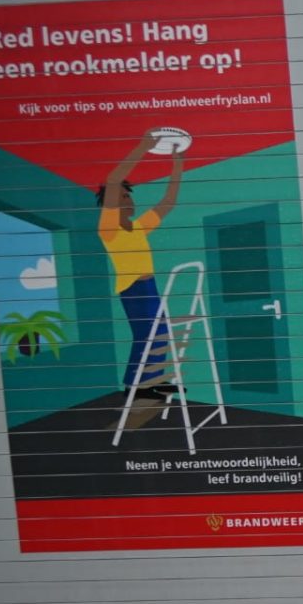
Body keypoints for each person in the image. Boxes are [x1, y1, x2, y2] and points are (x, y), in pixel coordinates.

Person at [99, 131, 185, 411]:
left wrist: (177, 163)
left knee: (159, 335)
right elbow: (112, 181)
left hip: (150, 287)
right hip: (133, 289)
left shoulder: (137, 228)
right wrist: (142, 147)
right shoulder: (108, 230)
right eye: (122, 197)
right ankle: (134, 387)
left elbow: (168, 203)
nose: (127, 200)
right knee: (145, 336)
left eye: (128, 196)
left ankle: (151, 383)